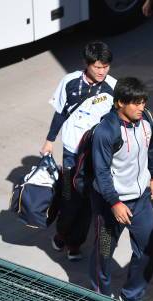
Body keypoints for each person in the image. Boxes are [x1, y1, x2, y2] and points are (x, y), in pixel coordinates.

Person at [40, 41, 116, 261]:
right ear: (87, 64)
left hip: (96, 155)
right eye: (98, 67)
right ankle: (62, 233)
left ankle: (75, 244)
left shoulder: (112, 86)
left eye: (106, 67)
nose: (102, 71)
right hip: (71, 153)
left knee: (87, 201)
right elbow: (60, 113)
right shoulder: (69, 81)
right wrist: (49, 140)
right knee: (68, 197)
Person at [90, 77, 153, 301]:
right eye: (136, 103)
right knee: (104, 253)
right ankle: (101, 297)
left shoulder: (146, 120)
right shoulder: (106, 131)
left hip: (140, 200)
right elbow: (101, 173)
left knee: (149, 247)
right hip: (111, 202)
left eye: (143, 102)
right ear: (120, 103)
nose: (142, 107)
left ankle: (131, 296)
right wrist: (114, 203)